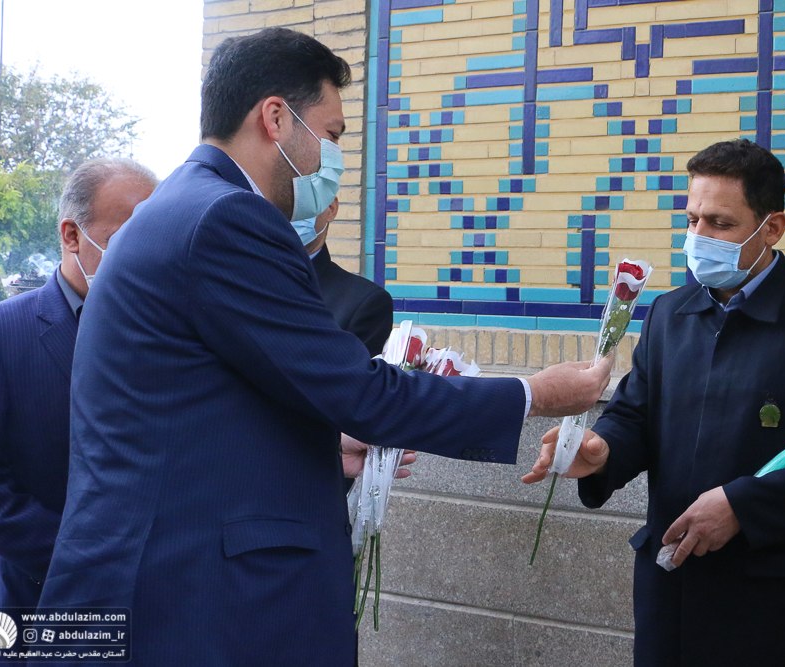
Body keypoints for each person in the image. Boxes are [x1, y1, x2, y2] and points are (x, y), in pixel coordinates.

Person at [36, 27, 612, 667]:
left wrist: (322, 442)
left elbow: (200, 404)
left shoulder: (176, 207)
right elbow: (362, 393)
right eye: (332, 135)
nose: (332, 159)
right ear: (276, 118)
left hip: (155, 575)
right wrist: (535, 393)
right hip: (197, 597)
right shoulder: (228, 217)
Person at [525, 139, 785, 666]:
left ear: (772, 228)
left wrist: (743, 507)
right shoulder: (669, 313)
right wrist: (602, 450)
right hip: (673, 588)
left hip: (775, 601)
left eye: (720, 224)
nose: (700, 237)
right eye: (692, 220)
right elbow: (635, 414)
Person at [0, 159, 156, 651]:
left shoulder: (171, 334)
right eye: (124, 240)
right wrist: (80, 557)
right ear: (72, 235)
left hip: (162, 605)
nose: (143, 257)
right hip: (43, 604)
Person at [300, 197, 393, 356]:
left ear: (330, 208)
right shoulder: (254, 283)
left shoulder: (365, 302)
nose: (289, 214)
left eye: (301, 204)